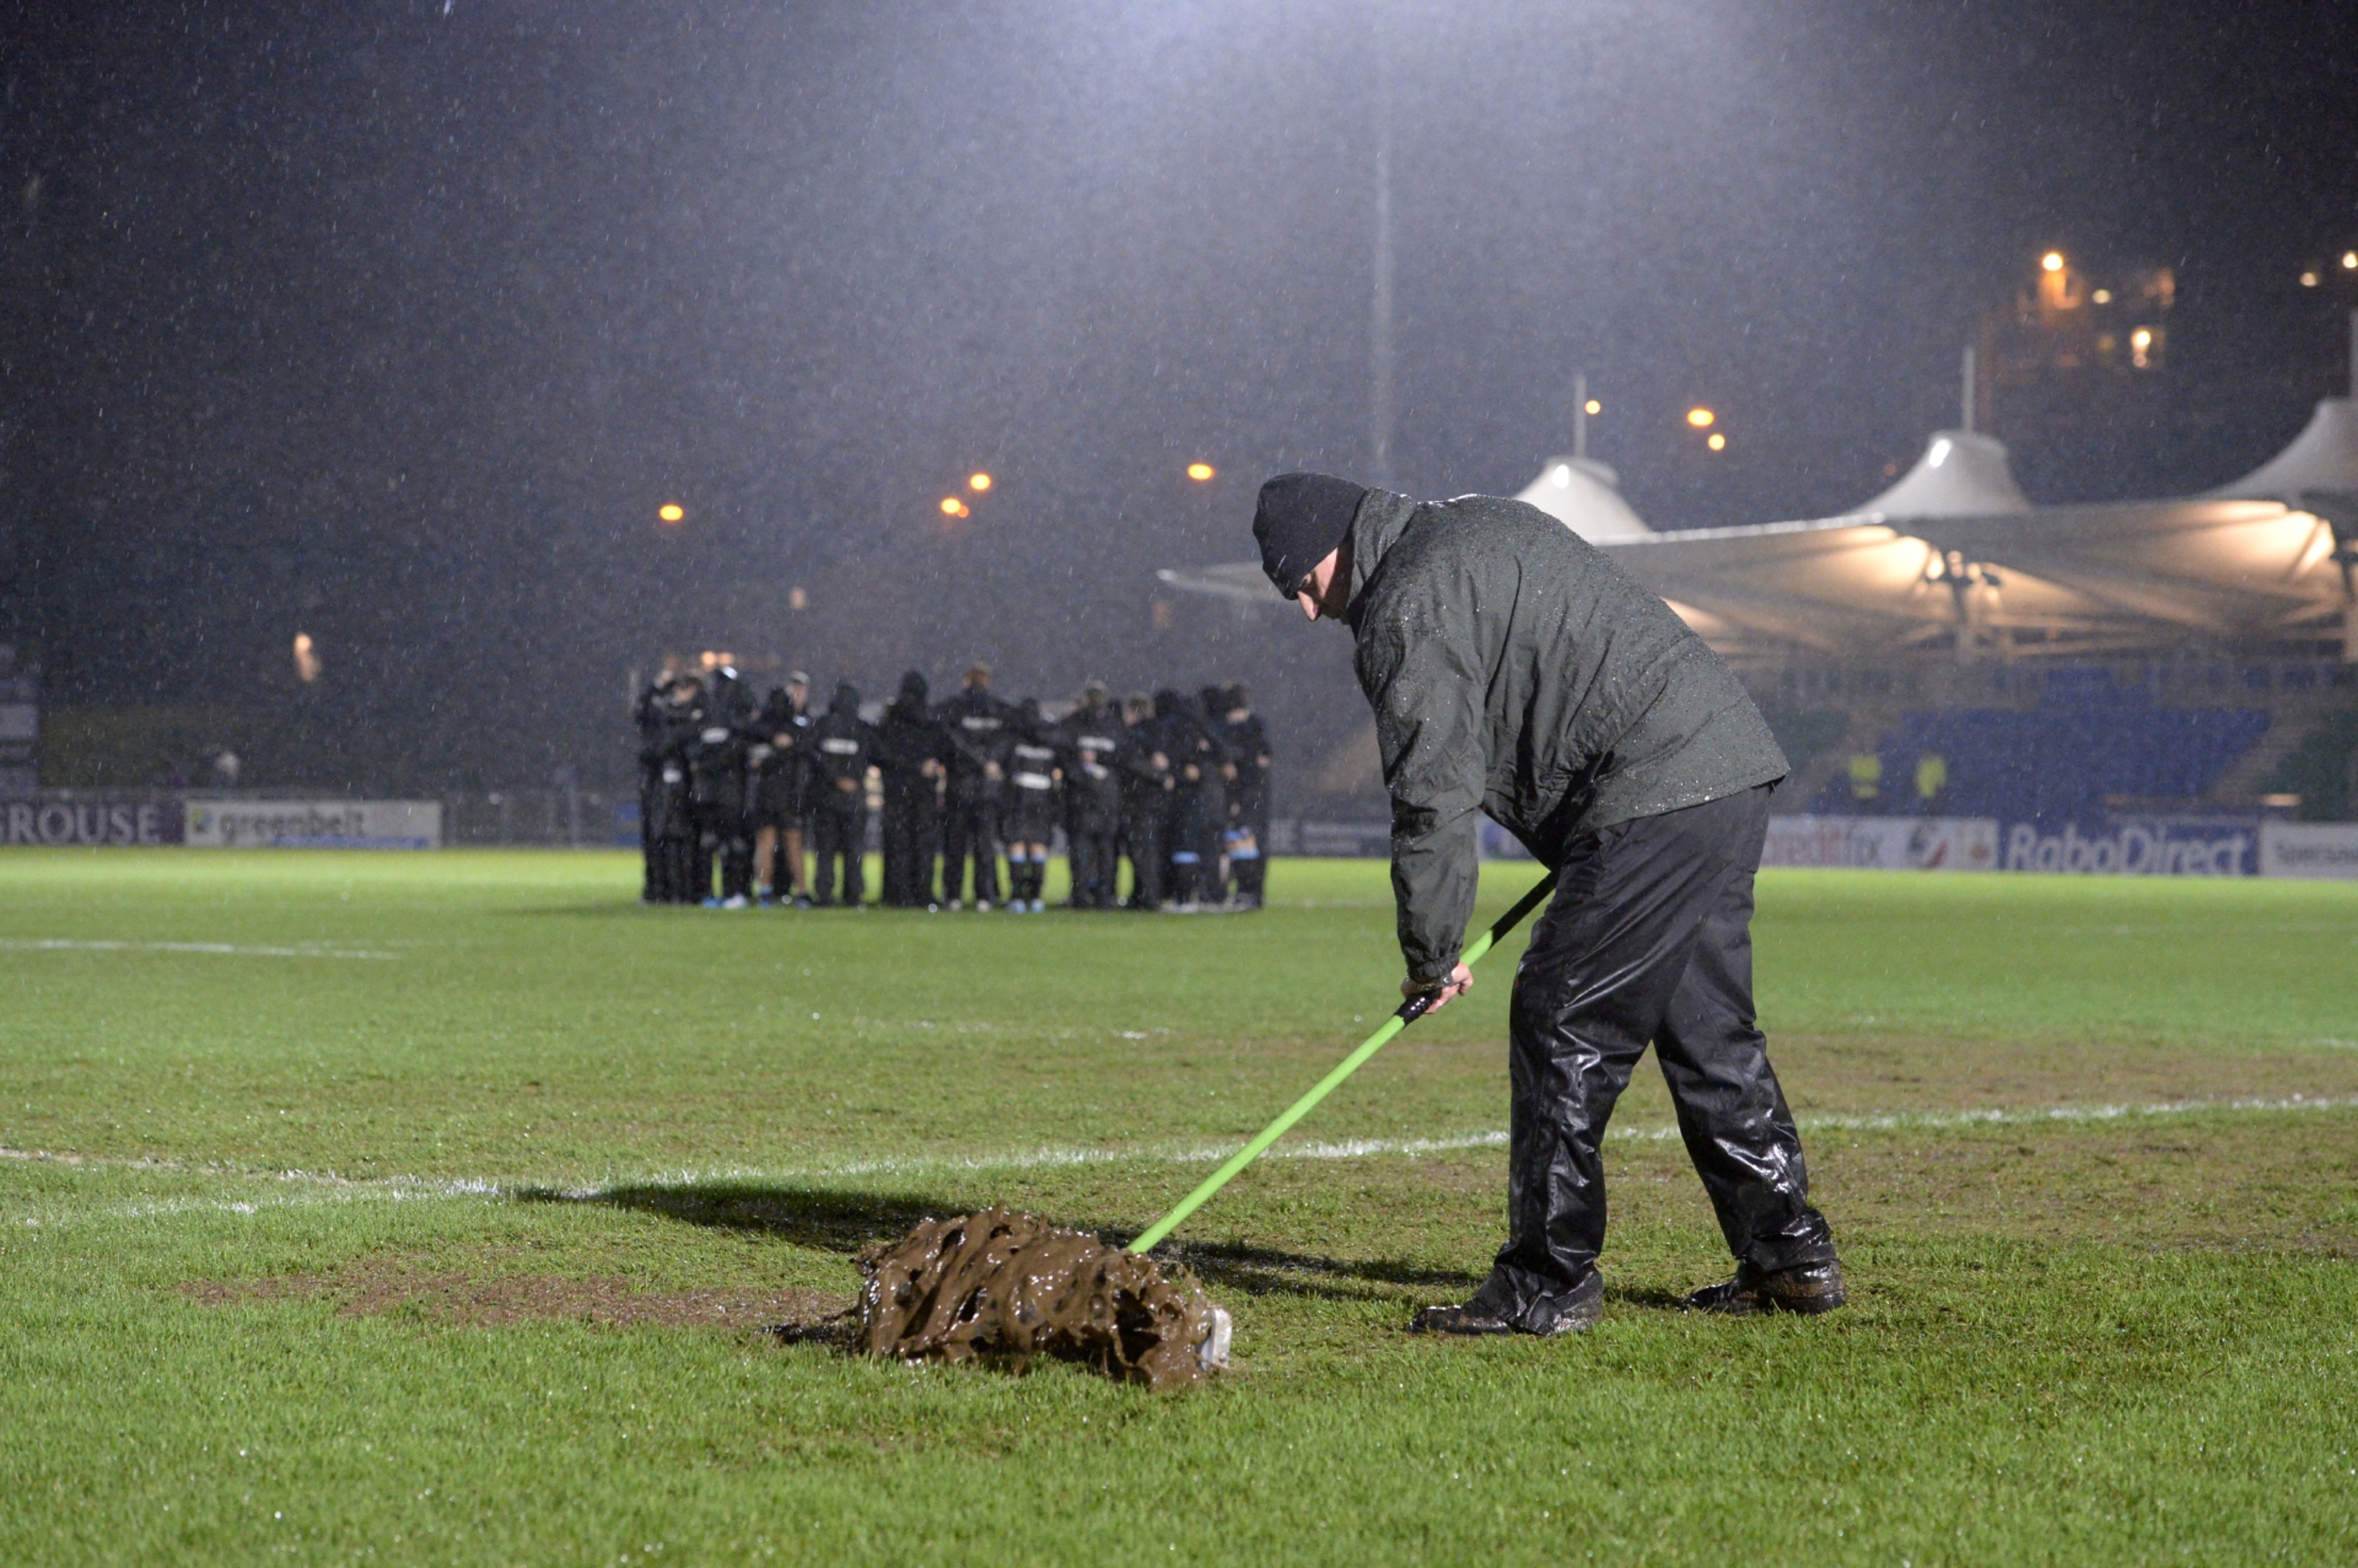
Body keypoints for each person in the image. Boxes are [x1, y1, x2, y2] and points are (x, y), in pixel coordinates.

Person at [1252, 469, 1842, 1335]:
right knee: (1705, 1030)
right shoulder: (1468, 526)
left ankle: (1546, 1279)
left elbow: (1432, 791)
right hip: (1721, 761)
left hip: (1654, 782)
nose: (1308, 609)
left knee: (1557, 1015)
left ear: (1334, 543)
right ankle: (1788, 1255)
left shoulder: (1406, 603)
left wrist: (1430, 951)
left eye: (1303, 583)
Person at [935, 662, 1011, 909]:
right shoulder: (998, 710)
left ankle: (953, 895)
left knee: (955, 844)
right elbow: (1005, 742)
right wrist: (990, 764)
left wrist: (974, 763)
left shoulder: (954, 708)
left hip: (960, 786)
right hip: (988, 790)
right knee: (984, 846)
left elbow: (952, 741)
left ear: (967, 681)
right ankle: (985, 896)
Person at [805, 681, 880, 907]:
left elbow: (811, 753)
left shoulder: (821, 725)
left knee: (825, 850)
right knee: (854, 849)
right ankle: (853, 895)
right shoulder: (863, 729)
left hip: (826, 797)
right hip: (854, 799)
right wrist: (853, 779)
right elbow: (875, 755)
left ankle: (825, 894)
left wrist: (835, 778)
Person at [686, 665, 756, 908]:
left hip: (710, 787)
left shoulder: (703, 712)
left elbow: (694, 748)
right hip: (727, 788)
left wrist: (706, 763)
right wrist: (721, 762)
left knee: (711, 842)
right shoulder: (733, 715)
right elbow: (737, 748)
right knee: (729, 842)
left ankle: (711, 893)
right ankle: (730, 892)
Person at [877, 671, 947, 908]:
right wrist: (925, 767)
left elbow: (883, 755)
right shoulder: (931, 720)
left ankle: (898, 893)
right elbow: (945, 749)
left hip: (897, 789)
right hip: (924, 791)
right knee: (924, 843)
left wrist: (907, 767)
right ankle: (923, 892)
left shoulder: (890, 720)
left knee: (898, 843)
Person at [1057, 680, 1126, 909]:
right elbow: (1125, 757)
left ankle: (1080, 896)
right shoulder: (1115, 725)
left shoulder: (1074, 723)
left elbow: (1061, 753)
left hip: (1081, 799)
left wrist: (1080, 775)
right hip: (1108, 798)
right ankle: (1105, 897)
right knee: (1106, 851)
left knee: (1081, 850)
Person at [1157, 689, 1226, 911]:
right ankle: (1211, 898)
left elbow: (1172, 762)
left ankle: (1184, 898)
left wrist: (1184, 771)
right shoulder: (1210, 731)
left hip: (1188, 802)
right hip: (1212, 802)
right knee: (1210, 850)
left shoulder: (1175, 729)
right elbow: (1227, 756)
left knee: (1185, 848)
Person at [749, 680, 812, 906]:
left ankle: (765, 891)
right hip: (789, 794)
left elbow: (755, 758)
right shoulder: (796, 729)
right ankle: (803, 893)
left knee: (765, 844)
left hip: (766, 794)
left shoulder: (760, 730)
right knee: (794, 844)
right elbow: (805, 752)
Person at [1001, 697, 1062, 912]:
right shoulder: (1050, 737)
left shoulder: (1015, 737)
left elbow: (1006, 766)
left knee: (1017, 843)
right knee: (1038, 845)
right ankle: (1036, 899)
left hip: (1019, 796)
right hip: (1043, 798)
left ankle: (1017, 897)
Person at [1116, 691, 1173, 910]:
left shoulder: (1137, 734)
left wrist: (1160, 777)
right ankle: (1143, 894)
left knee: (1142, 851)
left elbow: (1133, 762)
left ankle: (1148, 897)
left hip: (1140, 802)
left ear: (1132, 712)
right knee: (1146, 850)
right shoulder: (1160, 731)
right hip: (1154, 802)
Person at [1219, 683, 1272, 910]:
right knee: (1252, 845)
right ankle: (1251, 893)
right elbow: (1262, 759)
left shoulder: (1244, 730)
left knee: (1245, 844)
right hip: (1254, 797)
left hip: (1248, 798)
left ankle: (1248, 893)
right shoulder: (1257, 729)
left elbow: (1250, 765)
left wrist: (1239, 800)